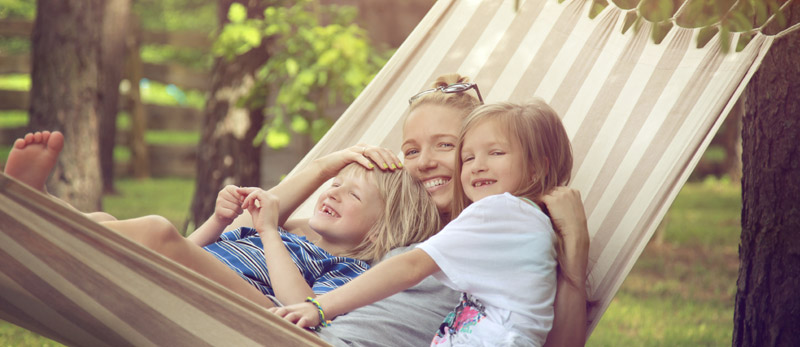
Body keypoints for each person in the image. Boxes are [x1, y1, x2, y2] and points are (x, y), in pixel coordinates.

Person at [2, 131, 441, 309]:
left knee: (155, 231)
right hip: (186, 274)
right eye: (333, 185)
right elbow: (193, 252)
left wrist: (269, 230)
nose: (333, 192)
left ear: (382, 229)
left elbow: (303, 309)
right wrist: (328, 165)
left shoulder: (349, 270)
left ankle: (36, 224)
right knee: (106, 219)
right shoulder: (286, 234)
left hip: (247, 313)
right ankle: (40, 213)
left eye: (352, 193)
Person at [274, 100, 572, 346]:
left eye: (495, 153)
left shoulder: (499, 211)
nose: (478, 165)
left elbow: (411, 267)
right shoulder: (530, 230)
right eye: (468, 158)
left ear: (536, 168)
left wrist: (320, 308)